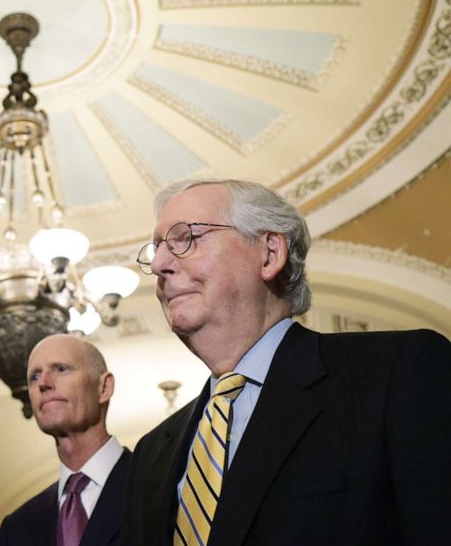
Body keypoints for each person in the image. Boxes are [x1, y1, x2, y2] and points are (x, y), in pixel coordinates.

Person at [121, 178, 451, 545]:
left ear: (269, 253)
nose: (161, 264)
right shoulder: (152, 453)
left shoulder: (398, 373)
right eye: (156, 249)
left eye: (185, 238)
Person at [0, 334, 131, 546]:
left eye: (61, 369)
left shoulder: (157, 485)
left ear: (104, 387)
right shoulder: (17, 527)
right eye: (34, 377)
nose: (43, 383)